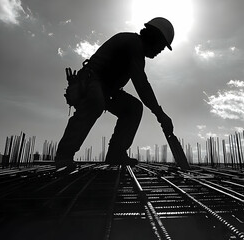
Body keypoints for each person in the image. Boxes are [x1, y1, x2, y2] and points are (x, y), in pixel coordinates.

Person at [56, 17, 175, 170]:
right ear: (154, 37)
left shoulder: (136, 48)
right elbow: (141, 84)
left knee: (133, 108)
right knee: (95, 101)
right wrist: (160, 114)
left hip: (107, 90)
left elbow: (140, 84)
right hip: (91, 82)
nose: (161, 51)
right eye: (162, 46)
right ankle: (64, 155)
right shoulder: (134, 44)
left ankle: (116, 153)